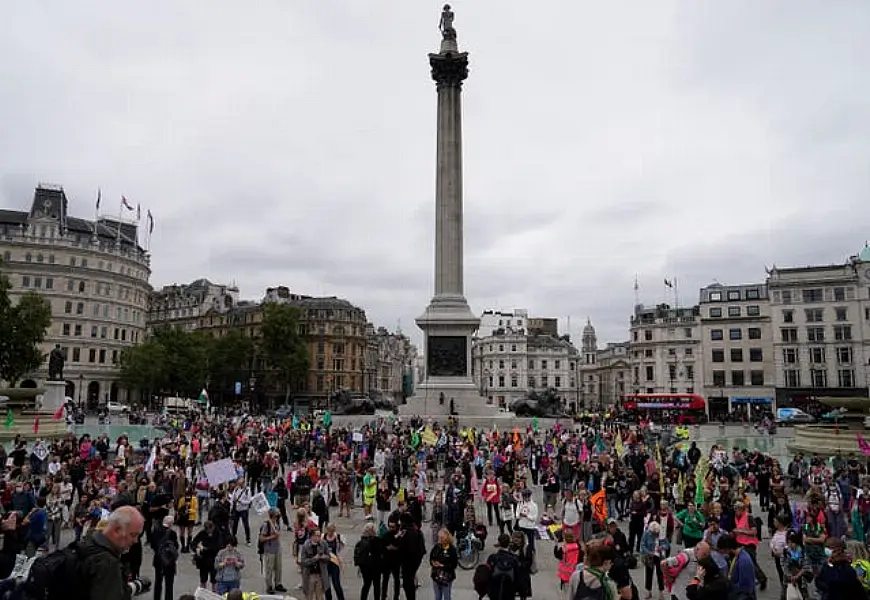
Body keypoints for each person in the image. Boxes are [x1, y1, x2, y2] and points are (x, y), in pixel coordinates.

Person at [79, 505, 146, 600]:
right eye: (133, 535)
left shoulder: (87, 543)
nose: (135, 541)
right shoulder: (108, 564)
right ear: (117, 530)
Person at [482, 534, 521, 600]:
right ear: (509, 544)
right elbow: (518, 577)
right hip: (509, 591)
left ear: (499, 543)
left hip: (494, 591)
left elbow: (487, 574)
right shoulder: (514, 559)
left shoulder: (492, 557)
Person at [717, 534, 755, 600]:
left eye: (723, 551)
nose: (723, 554)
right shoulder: (736, 557)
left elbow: (746, 587)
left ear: (727, 548)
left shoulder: (744, 561)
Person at [152, 515, 180, 600]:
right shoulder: (172, 533)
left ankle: (156, 598)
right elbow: (176, 547)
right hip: (169, 562)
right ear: (171, 523)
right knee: (169, 584)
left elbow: (153, 545)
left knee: (158, 582)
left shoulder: (155, 531)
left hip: (158, 560)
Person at [259, 507, 286, 594]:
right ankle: (269, 586)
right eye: (278, 512)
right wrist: (272, 537)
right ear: (274, 514)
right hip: (269, 549)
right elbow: (261, 538)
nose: (279, 514)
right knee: (269, 569)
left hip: (277, 548)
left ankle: (278, 583)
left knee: (278, 568)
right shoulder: (266, 525)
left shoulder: (276, 522)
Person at [300, 528, 332, 600]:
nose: (318, 537)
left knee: (320, 597)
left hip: (320, 575)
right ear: (312, 536)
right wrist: (315, 558)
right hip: (310, 575)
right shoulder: (306, 546)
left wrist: (324, 557)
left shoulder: (323, 544)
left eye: (319, 535)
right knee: (309, 596)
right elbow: (303, 562)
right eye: (316, 535)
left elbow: (329, 557)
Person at [354, 523, 382, 600]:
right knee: (376, 586)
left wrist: (359, 565)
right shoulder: (377, 541)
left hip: (365, 568)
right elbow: (381, 553)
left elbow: (358, 556)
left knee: (366, 585)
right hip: (376, 567)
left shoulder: (360, 542)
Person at [429, 528, 458, 600]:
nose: (440, 540)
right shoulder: (437, 547)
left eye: (442, 538)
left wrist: (443, 566)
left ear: (447, 538)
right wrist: (433, 563)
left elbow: (454, 564)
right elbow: (431, 558)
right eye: (439, 538)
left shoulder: (452, 549)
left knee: (447, 597)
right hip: (436, 575)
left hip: (447, 577)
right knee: (437, 597)